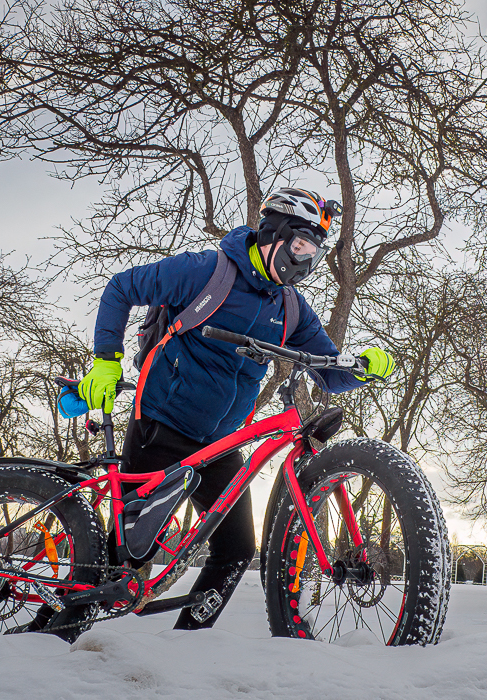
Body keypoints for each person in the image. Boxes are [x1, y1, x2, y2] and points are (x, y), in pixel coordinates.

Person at [76, 187, 395, 630]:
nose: (304, 261)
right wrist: (105, 362)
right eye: (301, 246)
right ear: (274, 234)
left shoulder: (291, 307)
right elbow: (121, 288)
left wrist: (362, 368)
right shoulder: (206, 270)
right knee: (127, 556)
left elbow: (328, 371)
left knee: (236, 549)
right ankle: (56, 632)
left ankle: (187, 643)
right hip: (162, 427)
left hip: (221, 444)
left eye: (313, 254)